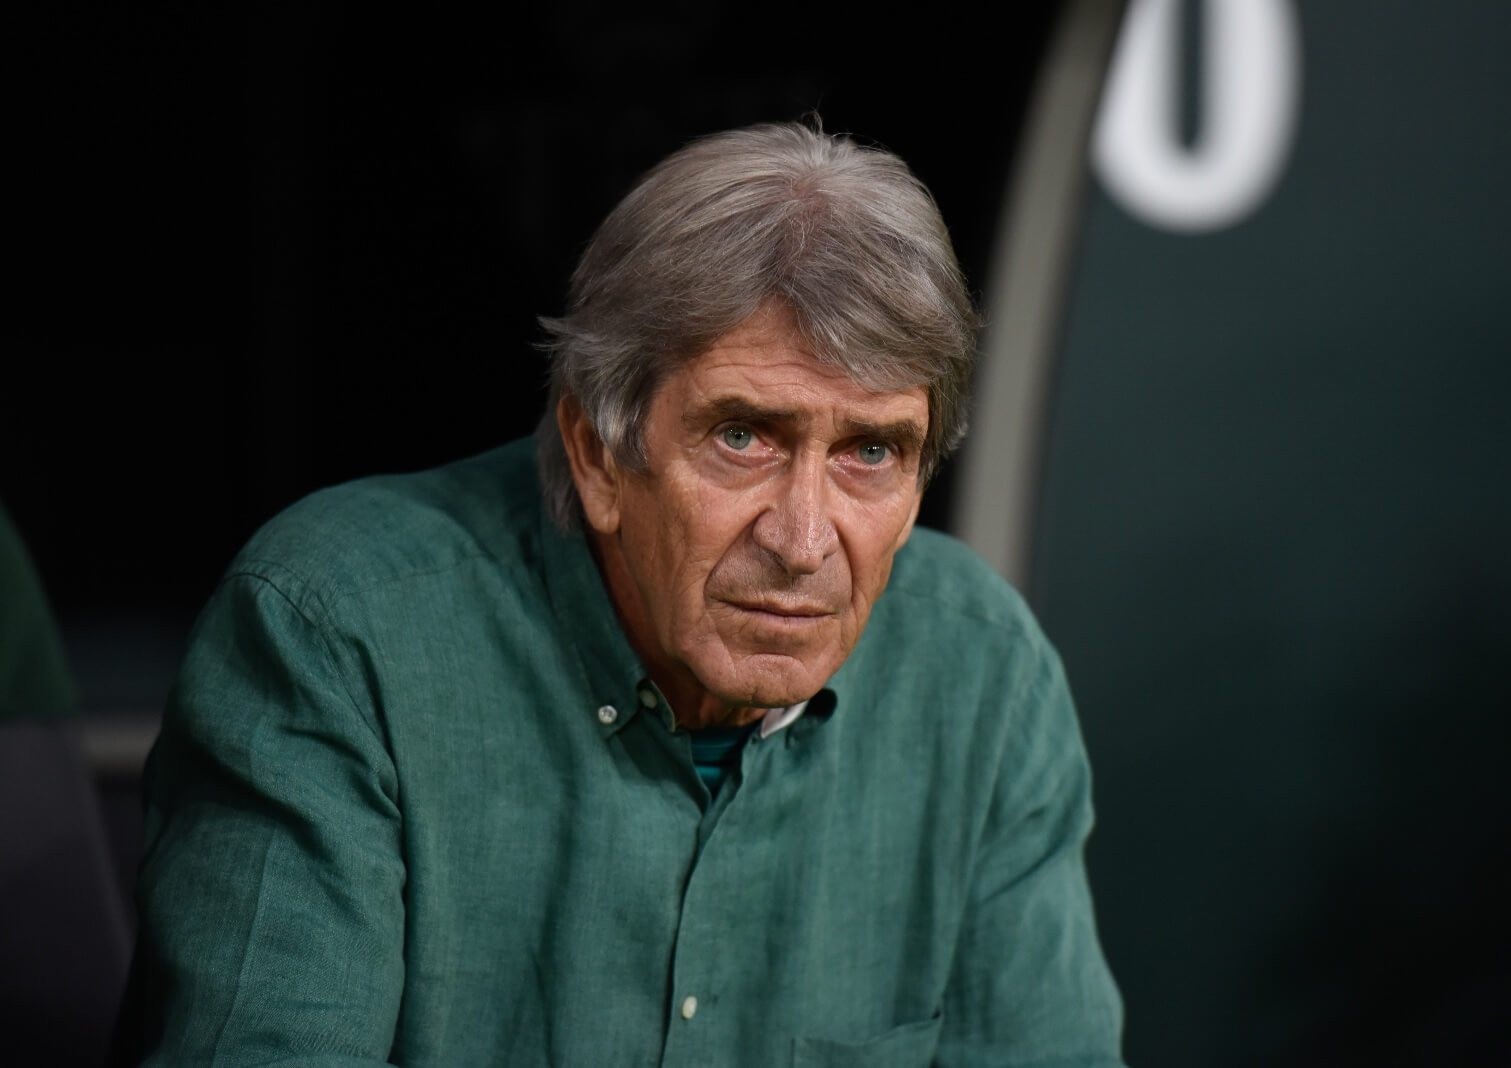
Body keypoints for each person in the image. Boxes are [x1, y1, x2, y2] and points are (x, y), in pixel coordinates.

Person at [125, 121, 1126, 1065]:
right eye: (743, 437)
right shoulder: (335, 633)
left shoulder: (982, 672)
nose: (803, 540)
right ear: (597, 453)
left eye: (870, 452)